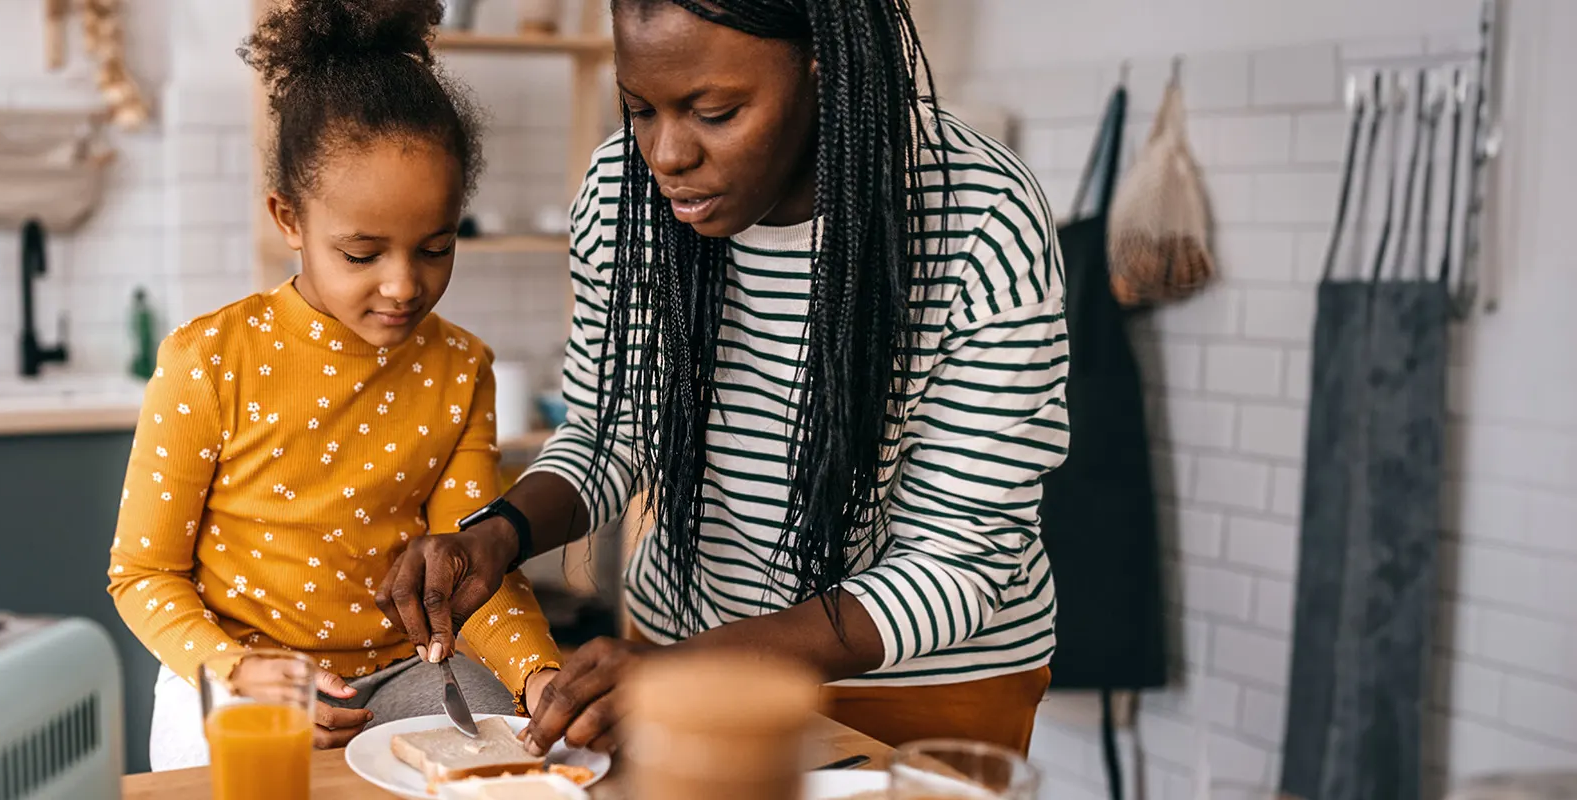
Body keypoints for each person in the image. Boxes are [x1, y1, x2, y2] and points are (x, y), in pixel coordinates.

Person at [378, 0, 1068, 755]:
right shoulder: (624, 194)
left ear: (822, 65)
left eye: (715, 111)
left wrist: (687, 670)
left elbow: (959, 559)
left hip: (923, 695)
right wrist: (497, 535)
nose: (666, 154)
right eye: (640, 109)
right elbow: (609, 435)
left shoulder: (978, 214)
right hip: (679, 656)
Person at [106, 0, 561, 769]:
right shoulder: (207, 361)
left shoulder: (462, 369)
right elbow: (142, 575)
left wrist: (538, 674)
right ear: (290, 218)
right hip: (236, 670)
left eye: (436, 248)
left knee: (505, 762)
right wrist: (241, 673)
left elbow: (466, 573)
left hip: (404, 670)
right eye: (361, 253)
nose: (403, 286)